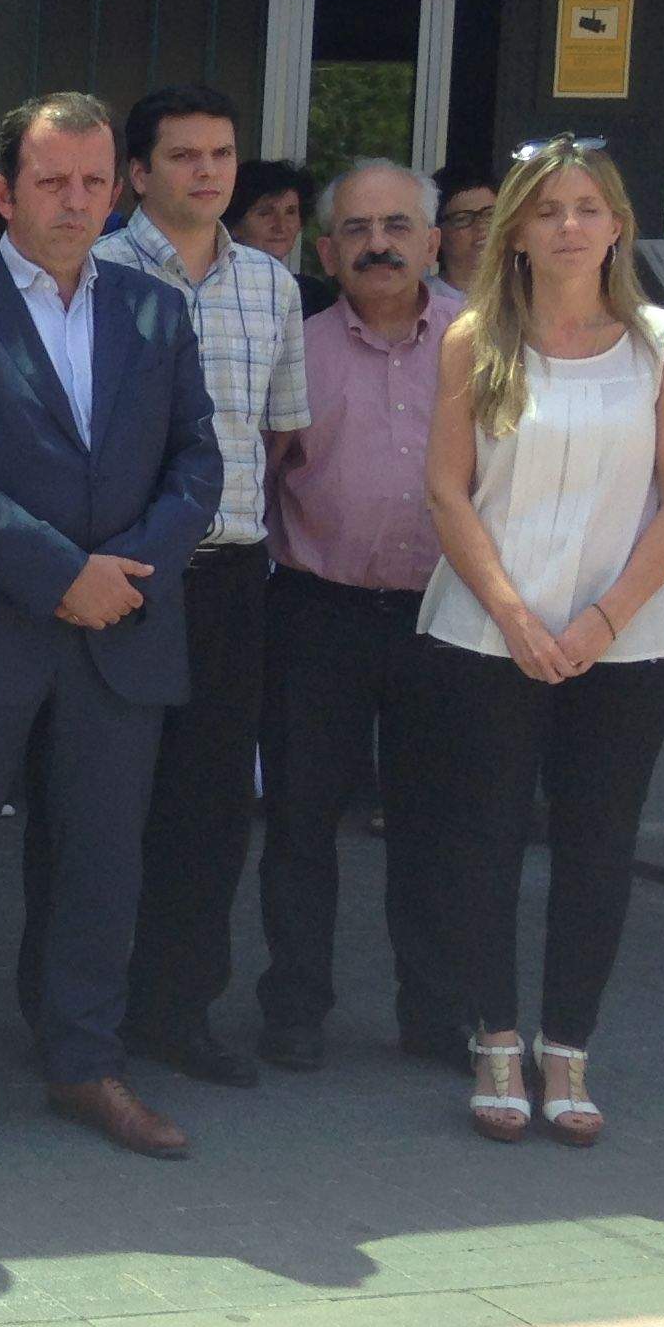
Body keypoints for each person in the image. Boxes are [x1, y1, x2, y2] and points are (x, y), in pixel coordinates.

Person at [0, 94, 219, 1164]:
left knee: (102, 862)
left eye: (94, 182)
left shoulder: (157, 313)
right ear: (3, 192)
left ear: (120, 188)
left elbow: (197, 464)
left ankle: (84, 1064)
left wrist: (125, 578)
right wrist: (60, 573)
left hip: (121, 629)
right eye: (52, 182)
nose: (77, 202)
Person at [419, 136, 664, 1147]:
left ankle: (568, 1048)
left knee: (596, 848)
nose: (569, 226)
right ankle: (496, 1040)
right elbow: (448, 491)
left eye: (588, 207)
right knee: (483, 841)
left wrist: (598, 620)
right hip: (487, 634)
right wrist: (519, 617)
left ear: (618, 224)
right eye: (547, 210)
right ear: (518, 232)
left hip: (627, 642)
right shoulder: (472, 339)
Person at [38, 87, 308, 1088]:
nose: (209, 172)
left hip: (230, 577)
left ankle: (178, 1011)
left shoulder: (274, 287)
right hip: (111, 575)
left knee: (207, 808)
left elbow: (279, 442)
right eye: (184, 156)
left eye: (223, 153)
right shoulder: (89, 272)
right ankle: (65, 1013)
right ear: (137, 174)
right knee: (93, 808)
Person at [254, 162, 465, 1073]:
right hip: (318, 615)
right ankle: (296, 1009)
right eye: (356, 229)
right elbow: (258, 475)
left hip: (448, 618)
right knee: (302, 824)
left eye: (397, 225)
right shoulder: (295, 345)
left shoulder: (483, 343)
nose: (378, 244)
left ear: (431, 240)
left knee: (437, 826)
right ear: (327, 249)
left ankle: (438, 1014)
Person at [228, 157, 337, 316]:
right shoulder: (219, 292)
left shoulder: (313, 297)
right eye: (265, 213)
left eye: (291, 212)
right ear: (234, 225)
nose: (280, 225)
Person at [432, 162, 496, 302]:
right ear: (437, 234)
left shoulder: (527, 294)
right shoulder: (422, 300)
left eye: (489, 215)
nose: (480, 226)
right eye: (462, 219)